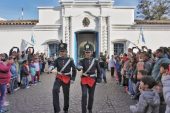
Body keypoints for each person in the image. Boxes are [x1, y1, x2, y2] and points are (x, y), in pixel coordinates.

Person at [52, 41, 77, 113]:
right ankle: (56, 109)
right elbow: (53, 64)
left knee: (66, 94)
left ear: (66, 51)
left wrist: (73, 78)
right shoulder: (57, 59)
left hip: (67, 78)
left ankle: (66, 109)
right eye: (60, 51)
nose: (62, 53)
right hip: (59, 77)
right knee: (55, 90)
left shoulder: (70, 60)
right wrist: (51, 67)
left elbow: (74, 70)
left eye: (63, 51)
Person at [78, 41, 101, 113]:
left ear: (91, 53)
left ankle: (90, 108)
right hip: (84, 79)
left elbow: (99, 70)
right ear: (84, 53)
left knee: (91, 96)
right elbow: (79, 65)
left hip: (92, 79)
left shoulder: (95, 61)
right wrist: (79, 67)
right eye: (86, 52)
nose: (87, 54)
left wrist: (98, 79)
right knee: (84, 95)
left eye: (89, 52)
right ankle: (83, 111)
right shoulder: (81, 60)